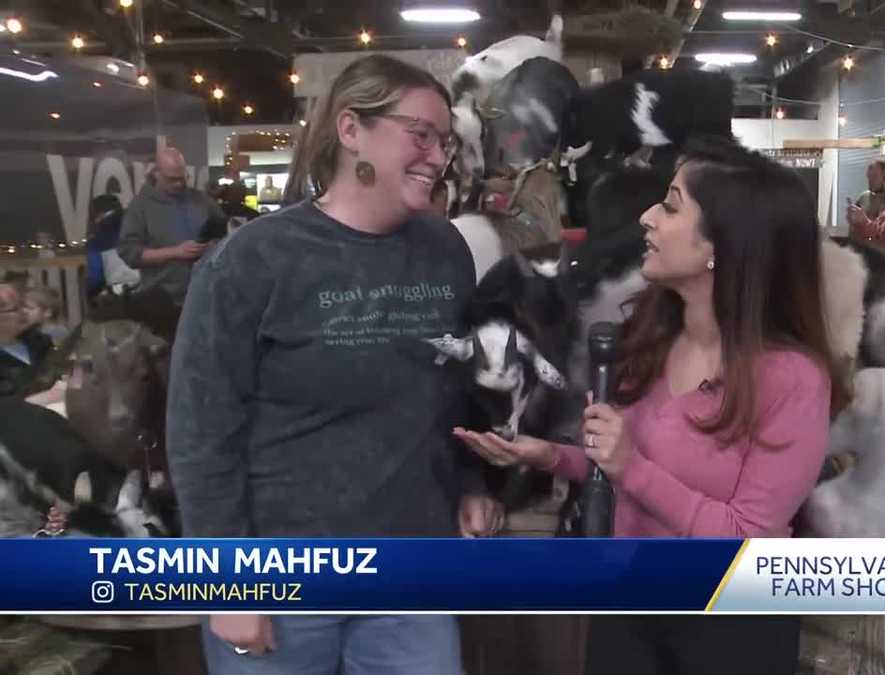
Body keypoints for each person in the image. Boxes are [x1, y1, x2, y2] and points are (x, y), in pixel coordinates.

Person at [455, 135, 846, 675]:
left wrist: (630, 468)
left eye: (670, 204)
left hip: (727, 630)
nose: (645, 217)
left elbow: (746, 538)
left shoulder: (792, 379)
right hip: (630, 606)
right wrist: (547, 456)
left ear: (722, 245)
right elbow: (620, 461)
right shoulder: (652, 335)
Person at [167, 54, 500, 674]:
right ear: (351, 130)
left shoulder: (444, 251)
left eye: (446, 142)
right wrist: (221, 579)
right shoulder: (252, 261)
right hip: (282, 576)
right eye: (420, 135)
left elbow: (452, 389)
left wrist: (470, 483)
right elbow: (200, 430)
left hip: (409, 568)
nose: (438, 157)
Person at [117, 146, 227, 308]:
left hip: (206, 296)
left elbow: (225, 237)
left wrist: (212, 247)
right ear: (156, 174)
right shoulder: (140, 207)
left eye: (182, 178)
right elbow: (129, 253)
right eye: (172, 179)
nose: (179, 183)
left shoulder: (201, 201)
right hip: (162, 301)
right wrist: (176, 252)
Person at [0, 283, 52, 397]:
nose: (25, 312)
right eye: (16, 308)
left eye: (24, 306)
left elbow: (69, 373)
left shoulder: (41, 341)